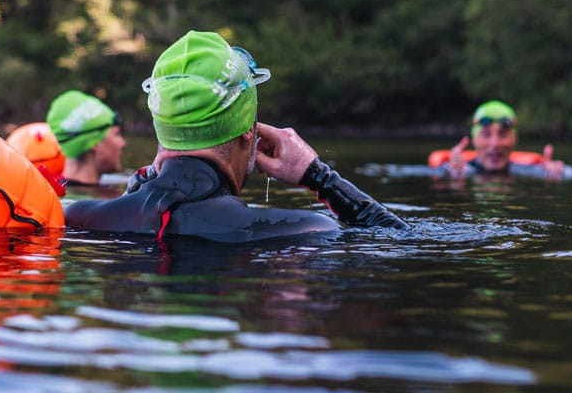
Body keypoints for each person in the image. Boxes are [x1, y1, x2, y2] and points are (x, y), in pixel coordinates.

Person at [64, 30, 408, 242]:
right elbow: (395, 240)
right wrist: (320, 176)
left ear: (162, 128)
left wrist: (137, 190)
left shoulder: (77, 218)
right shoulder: (304, 228)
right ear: (249, 133)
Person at [444, 100, 571, 180]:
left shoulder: (533, 171)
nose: (494, 144)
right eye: (487, 135)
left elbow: (570, 173)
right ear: (473, 141)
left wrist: (557, 172)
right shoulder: (449, 171)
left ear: (514, 139)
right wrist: (455, 175)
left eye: (503, 134)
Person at [46, 90, 126, 193]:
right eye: (116, 134)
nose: (122, 143)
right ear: (94, 142)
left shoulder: (52, 195)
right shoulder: (109, 201)